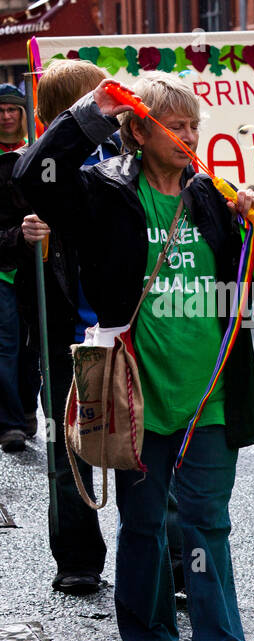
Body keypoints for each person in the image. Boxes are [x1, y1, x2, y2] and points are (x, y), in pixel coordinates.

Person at [16, 73, 254, 641]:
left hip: (208, 390)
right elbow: (34, 176)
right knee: (146, 519)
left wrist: (253, 215)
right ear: (137, 131)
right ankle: (150, 634)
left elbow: (245, 283)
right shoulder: (104, 192)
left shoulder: (212, 197)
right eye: (173, 126)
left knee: (208, 519)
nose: (187, 136)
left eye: (192, 126)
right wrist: (90, 111)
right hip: (135, 390)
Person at [0, 59, 116, 593]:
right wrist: (23, 239)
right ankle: (76, 556)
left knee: (149, 440)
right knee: (69, 445)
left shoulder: (125, 162)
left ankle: (174, 555)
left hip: (121, 325)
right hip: (64, 329)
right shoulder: (26, 168)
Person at [0, 83, 35, 452]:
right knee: (6, 346)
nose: (7, 116)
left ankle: (26, 410)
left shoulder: (39, 151)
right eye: (0, 110)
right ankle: (9, 423)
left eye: (13, 109)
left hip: (37, 267)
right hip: (3, 266)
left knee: (33, 348)